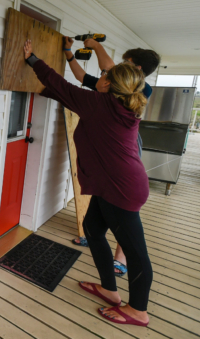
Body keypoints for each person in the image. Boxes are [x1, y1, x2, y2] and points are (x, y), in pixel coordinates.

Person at [23, 39, 152, 327]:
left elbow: (60, 85)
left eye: (105, 76)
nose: (100, 76)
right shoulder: (125, 103)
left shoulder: (98, 104)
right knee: (93, 231)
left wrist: (32, 58)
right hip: (113, 184)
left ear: (109, 86)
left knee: (135, 252)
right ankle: (109, 288)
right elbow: (75, 87)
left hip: (122, 190)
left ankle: (138, 311)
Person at [66, 37, 160, 278]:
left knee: (126, 213)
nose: (114, 68)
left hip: (124, 154)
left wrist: (96, 46)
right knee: (101, 210)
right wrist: (68, 53)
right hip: (112, 156)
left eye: (124, 63)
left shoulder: (141, 88)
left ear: (136, 69)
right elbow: (83, 79)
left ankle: (121, 258)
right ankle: (95, 237)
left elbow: (108, 70)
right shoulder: (106, 89)